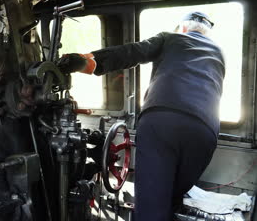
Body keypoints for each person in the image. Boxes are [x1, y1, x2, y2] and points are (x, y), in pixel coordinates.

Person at [57, 12, 225, 220]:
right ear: (207, 34)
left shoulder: (170, 38)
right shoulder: (218, 52)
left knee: (151, 209)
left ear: (182, 28)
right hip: (205, 131)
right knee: (171, 199)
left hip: (162, 119)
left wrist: (88, 63)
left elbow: (133, 52)